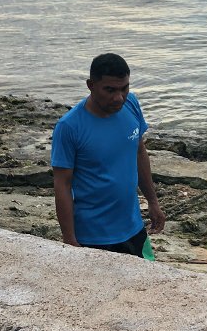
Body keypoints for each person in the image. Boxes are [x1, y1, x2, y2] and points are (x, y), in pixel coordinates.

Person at [51, 53, 166, 256]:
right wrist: (69, 240)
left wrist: (153, 202)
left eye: (124, 88)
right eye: (110, 90)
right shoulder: (69, 126)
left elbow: (139, 153)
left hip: (134, 228)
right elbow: (63, 185)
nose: (118, 97)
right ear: (91, 85)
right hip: (93, 236)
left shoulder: (131, 104)